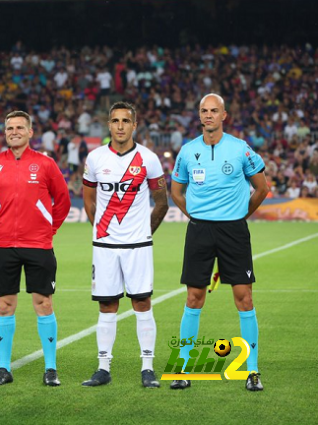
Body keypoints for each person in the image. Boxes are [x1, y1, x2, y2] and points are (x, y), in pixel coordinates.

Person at [170, 93, 269, 391]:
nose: (209, 115)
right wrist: (195, 216)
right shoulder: (187, 151)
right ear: (199, 115)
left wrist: (240, 216)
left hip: (233, 232)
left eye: (214, 110)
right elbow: (176, 191)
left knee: (244, 298)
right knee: (193, 298)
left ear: (224, 115)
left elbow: (262, 188)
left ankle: (252, 371)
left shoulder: (241, 149)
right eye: (204, 111)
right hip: (200, 231)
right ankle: (183, 369)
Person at [82, 102, 169, 388]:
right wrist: (101, 230)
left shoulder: (149, 158)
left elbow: (161, 202)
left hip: (138, 246)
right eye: (115, 120)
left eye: (125, 121)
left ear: (134, 124)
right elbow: (89, 199)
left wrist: (145, 232)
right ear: (109, 124)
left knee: (142, 302)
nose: (120, 126)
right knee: (107, 305)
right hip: (105, 246)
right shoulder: (94, 158)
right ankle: (103, 368)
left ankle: (147, 368)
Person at [0, 110, 71, 386]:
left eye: (20, 127)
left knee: (43, 304)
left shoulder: (45, 164)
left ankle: (51, 369)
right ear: (5, 132)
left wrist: (48, 230)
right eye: (10, 128)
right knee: (4, 305)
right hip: (4, 245)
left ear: (31, 132)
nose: (14, 131)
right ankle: (3, 369)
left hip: (39, 246)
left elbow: (63, 200)